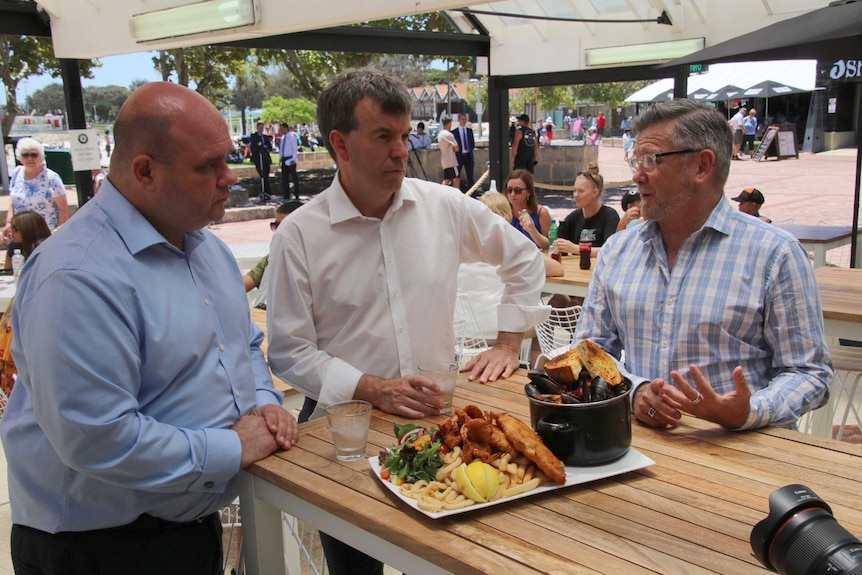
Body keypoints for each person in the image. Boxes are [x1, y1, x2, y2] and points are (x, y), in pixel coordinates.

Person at [0, 82, 298, 575]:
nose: (230, 179)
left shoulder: (205, 248)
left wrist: (263, 403)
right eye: (209, 166)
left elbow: (240, 343)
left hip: (184, 529)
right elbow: (97, 436)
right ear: (144, 171)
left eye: (227, 160)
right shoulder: (78, 275)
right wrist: (234, 445)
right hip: (98, 548)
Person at [265, 67, 548, 575]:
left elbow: (524, 259)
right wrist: (372, 388)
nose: (402, 150)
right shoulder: (299, 236)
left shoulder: (444, 207)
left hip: (444, 424)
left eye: (404, 135)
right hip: (346, 429)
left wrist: (508, 344)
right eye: (384, 137)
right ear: (340, 144)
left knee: (452, 560)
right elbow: (288, 349)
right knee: (355, 565)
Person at [575, 98, 832, 431]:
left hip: (744, 457)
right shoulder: (618, 252)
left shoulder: (775, 254)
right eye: (635, 161)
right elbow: (590, 352)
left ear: (701, 166)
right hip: (640, 454)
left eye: (651, 160)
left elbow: (810, 373)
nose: (637, 176)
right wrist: (632, 390)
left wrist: (748, 411)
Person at [457, 192, 562, 343]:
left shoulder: (461, 246)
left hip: (464, 332)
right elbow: (557, 269)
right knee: (541, 324)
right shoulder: (511, 243)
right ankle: (536, 365)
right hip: (502, 331)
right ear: (507, 216)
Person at [0, 211, 52, 398]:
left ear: (27, 229)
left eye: (15, 228)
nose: (11, 232)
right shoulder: (18, 248)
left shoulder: (43, 252)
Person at [3, 138, 69, 269]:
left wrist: (58, 233)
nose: (29, 158)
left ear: (41, 156)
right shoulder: (16, 173)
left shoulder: (51, 178)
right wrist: (8, 224)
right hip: (20, 233)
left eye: (34, 154)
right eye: (25, 155)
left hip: (43, 236)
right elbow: (13, 201)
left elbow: (63, 209)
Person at [243, 200, 304, 309]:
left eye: (285, 226)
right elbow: (241, 286)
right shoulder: (270, 259)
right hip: (262, 317)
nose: (278, 232)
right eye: (276, 226)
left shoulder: (314, 261)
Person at [556, 162, 620, 257]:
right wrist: (533, 231)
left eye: (581, 191)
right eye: (574, 190)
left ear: (595, 193)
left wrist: (575, 248)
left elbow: (609, 250)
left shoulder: (610, 216)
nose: (575, 195)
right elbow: (553, 242)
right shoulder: (574, 217)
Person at [504, 169, 551, 249]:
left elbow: (549, 245)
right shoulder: (503, 213)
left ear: (528, 192)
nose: (512, 194)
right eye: (509, 190)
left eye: (518, 190)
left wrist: (532, 230)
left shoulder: (541, 213)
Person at [250, 121, 273, 202]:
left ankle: (268, 192)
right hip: (259, 159)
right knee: (262, 175)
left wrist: (265, 147)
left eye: (262, 128)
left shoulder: (265, 137)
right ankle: (262, 192)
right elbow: (255, 147)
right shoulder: (254, 136)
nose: (261, 129)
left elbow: (269, 147)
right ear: (257, 128)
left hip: (265, 158)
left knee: (266, 175)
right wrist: (261, 147)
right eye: (260, 127)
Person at [278, 122, 301, 199]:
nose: (280, 131)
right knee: (285, 178)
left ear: (285, 128)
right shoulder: (283, 138)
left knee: (294, 177)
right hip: (284, 159)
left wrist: (294, 159)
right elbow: (281, 149)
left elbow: (294, 149)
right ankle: (286, 194)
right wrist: (281, 157)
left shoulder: (292, 137)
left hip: (290, 159)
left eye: (282, 129)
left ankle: (296, 193)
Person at [453, 113, 475, 190]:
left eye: (465, 119)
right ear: (459, 120)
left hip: (468, 156)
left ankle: (472, 192)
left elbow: (472, 143)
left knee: (470, 176)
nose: (464, 121)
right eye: (462, 119)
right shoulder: (454, 132)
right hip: (459, 156)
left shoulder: (469, 131)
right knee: (456, 175)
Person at [437, 115, 460, 188]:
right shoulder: (449, 135)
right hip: (451, 161)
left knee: (446, 180)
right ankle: (456, 197)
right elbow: (457, 148)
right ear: (449, 123)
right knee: (456, 179)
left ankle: (440, 194)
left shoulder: (440, 134)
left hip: (444, 160)